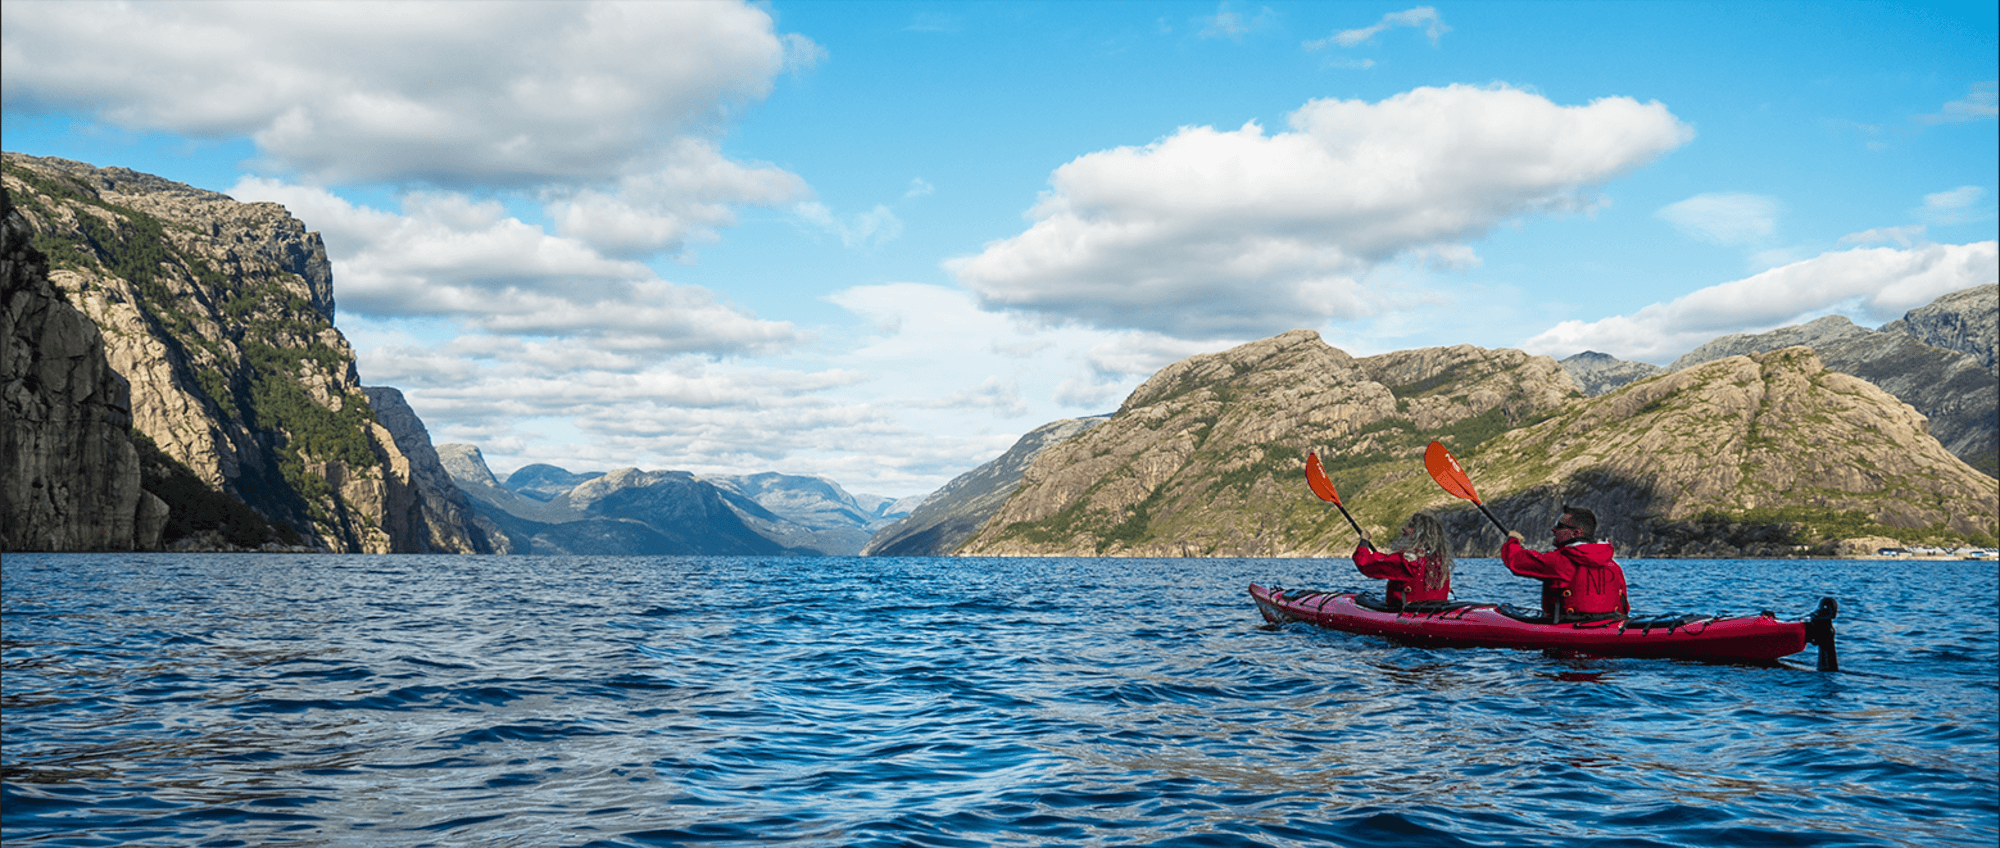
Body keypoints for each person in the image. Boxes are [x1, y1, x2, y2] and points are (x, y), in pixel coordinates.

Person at [1502, 506, 1629, 623]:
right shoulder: (1614, 567)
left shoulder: (1560, 562)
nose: (1554, 529)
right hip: (1608, 627)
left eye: (1559, 526)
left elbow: (1516, 561)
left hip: (1566, 629)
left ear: (1576, 533)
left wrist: (1513, 541)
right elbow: (1624, 608)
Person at [1352, 512, 1454, 609]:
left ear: (1418, 534)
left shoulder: (1407, 562)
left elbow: (1364, 563)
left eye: (1410, 526)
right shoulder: (1440, 561)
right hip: (1435, 612)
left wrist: (1364, 542)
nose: (1403, 529)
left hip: (1409, 613)